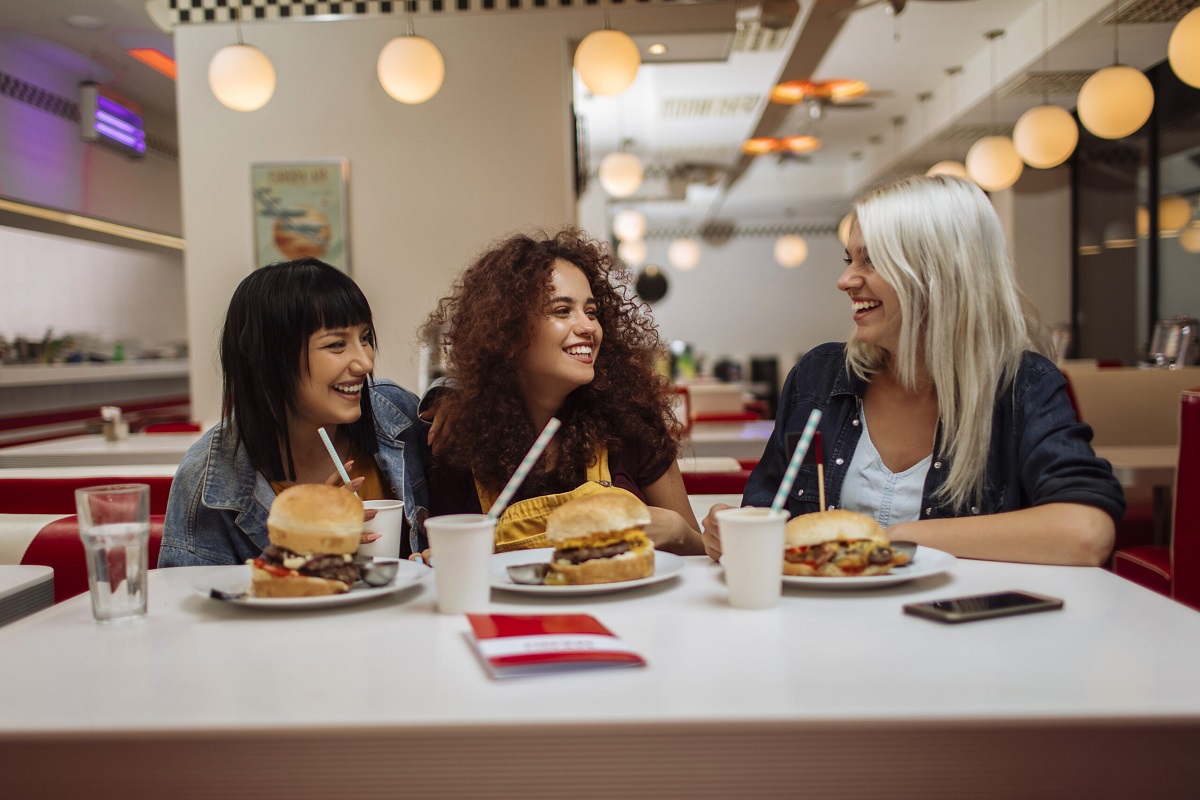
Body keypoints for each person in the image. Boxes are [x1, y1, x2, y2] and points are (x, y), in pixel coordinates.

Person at [702, 174, 1124, 567]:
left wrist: (898, 538)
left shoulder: (1021, 386)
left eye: (871, 261)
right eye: (850, 259)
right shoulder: (817, 379)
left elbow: (1086, 532)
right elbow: (766, 514)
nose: (846, 280)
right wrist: (732, 530)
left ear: (939, 273)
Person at [420, 227, 704, 555]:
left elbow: (699, 556)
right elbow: (446, 558)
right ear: (509, 334)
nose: (588, 327)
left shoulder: (631, 424)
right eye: (562, 310)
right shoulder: (457, 441)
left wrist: (681, 534)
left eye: (592, 311)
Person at [160, 258, 430, 566]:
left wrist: (452, 399)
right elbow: (191, 606)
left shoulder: (399, 414)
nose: (365, 363)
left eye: (365, 338)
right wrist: (294, 556)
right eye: (337, 344)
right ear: (268, 359)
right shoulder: (208, 478)